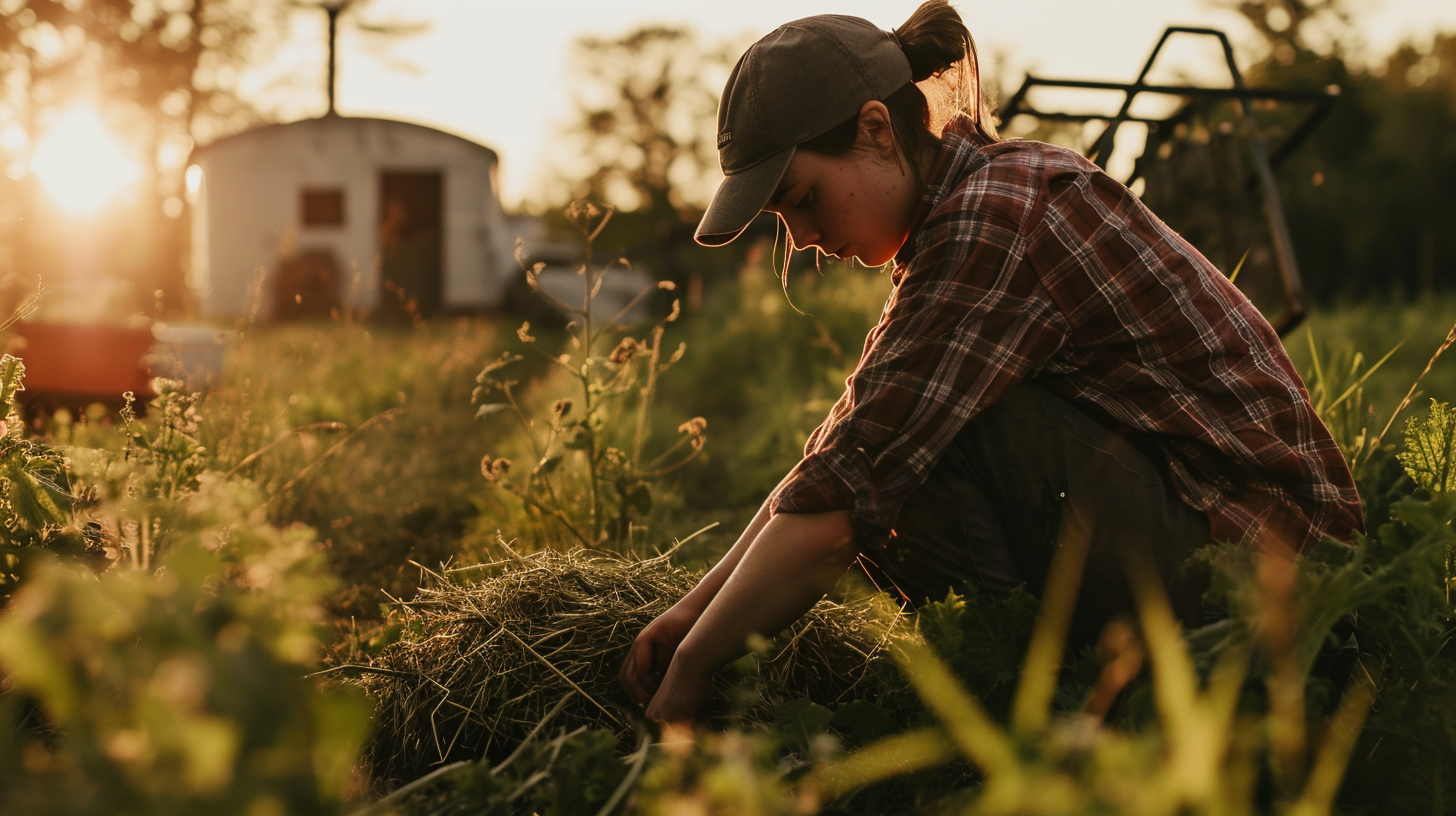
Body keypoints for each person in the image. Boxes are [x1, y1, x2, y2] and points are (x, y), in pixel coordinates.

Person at [617, 0, 1363, 726]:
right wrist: (693, 613)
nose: (803, 237)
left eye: (803, 198)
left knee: (909, 464)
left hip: (1277, 585)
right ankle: (1066, 701)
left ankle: (1038, 719)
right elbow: (837, 452)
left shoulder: (995, 215)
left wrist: (696, 667)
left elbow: (845, 489)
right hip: (1220, 544)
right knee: (897, 444)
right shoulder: (966, 209)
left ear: (877, 130)